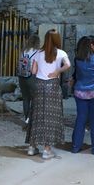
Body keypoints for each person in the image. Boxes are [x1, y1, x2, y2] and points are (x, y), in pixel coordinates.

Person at [26, 29, 71, 159]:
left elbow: (33, 71)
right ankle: (47, 150)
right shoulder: (61, 53)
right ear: (57, 39)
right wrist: (58, 71)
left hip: (39, 86)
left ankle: (32, 147)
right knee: (51, 117)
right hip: (53, 86)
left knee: (37, 114)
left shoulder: (38, 53)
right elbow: (68, 65)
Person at [71, 36, 94, 155]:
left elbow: (76, 75)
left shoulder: (77, 59)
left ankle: (76, 147)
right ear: (90, 46)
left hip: (80, 92)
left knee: (81, 119)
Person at [18, 34, 40, 124]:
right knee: (35, 98)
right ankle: (33, 119)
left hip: (21, 76)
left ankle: (26, 118)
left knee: (26, 98)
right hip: (31, 77)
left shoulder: (23, 51)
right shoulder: (37, 52)